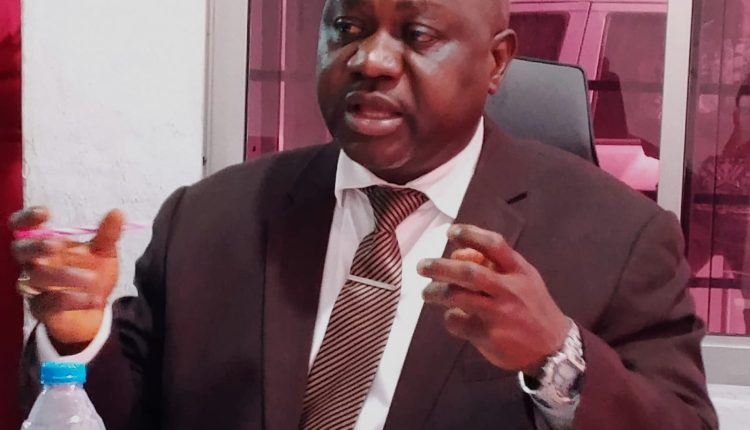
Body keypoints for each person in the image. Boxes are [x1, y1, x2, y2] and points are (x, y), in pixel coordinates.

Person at [11, 0, 717, 429]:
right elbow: (120, 412)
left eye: (417, 34)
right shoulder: (208, 219)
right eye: (346, 27)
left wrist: (555, 358)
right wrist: (78, 340)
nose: (371, 60)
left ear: (497, 62)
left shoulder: (617, 239)